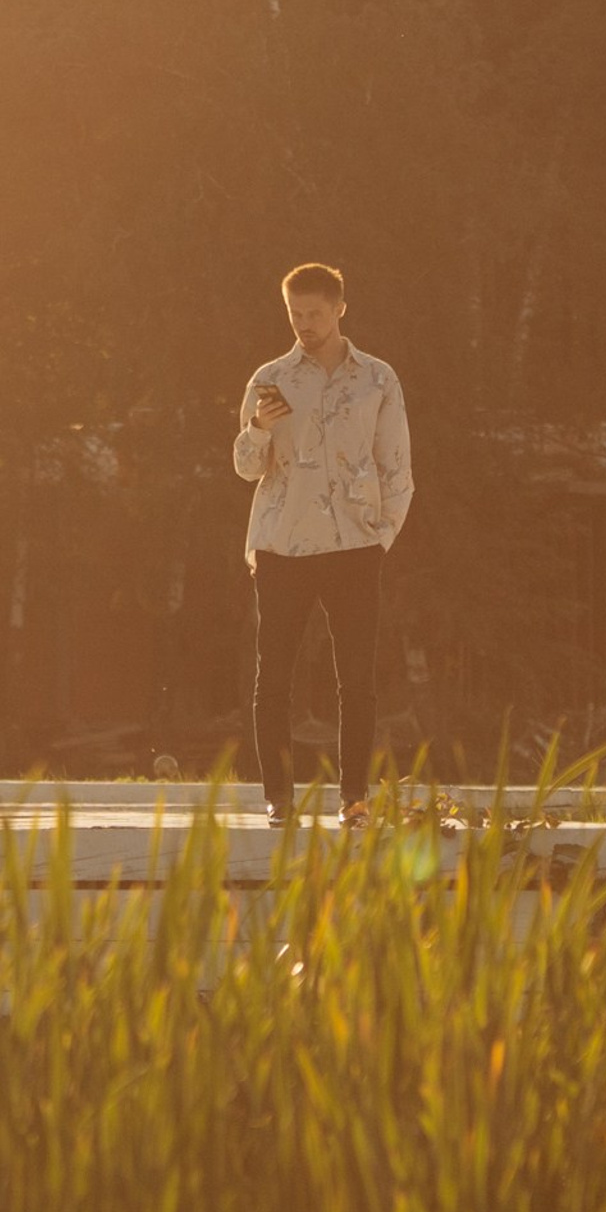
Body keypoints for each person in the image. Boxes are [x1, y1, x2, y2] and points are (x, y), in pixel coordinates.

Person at [233, 262, 415, 826]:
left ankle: (353, 799)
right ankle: (277, 799)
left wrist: (380, 538)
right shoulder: (270, 378)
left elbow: (397, 467)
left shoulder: (378, 379)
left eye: (314, 313)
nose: (304, 324)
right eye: (295, 314)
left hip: (353, 546)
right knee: (275, 677)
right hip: (282, 544)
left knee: (357, 678)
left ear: (339, 308)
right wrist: (258, 427)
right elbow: (244, 468)